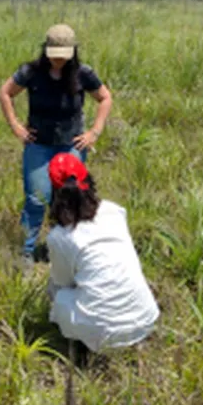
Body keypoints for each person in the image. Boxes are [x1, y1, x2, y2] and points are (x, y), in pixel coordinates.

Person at [0, 23, 113, 262]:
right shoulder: (30, 72)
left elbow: (104, 97)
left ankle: (63, 250)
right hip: (39, 144)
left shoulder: (83, 73)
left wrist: (94, 132)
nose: (58, 62)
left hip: (71, 145)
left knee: (69, 197)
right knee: (37, 197)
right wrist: (16, 127)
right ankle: (27, 251)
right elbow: (5, 92)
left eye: (63, 57)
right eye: (54, 57)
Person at [44, 153, 160, 366]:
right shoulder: (113, 210)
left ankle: (82, 347)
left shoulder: (60, 237)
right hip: (145, 318)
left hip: (104, 332)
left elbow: (62, 282)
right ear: (87, 180)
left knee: (54, 290)